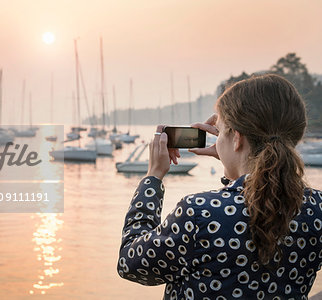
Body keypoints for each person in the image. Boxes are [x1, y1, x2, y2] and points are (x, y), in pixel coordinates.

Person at [117, 74, 322, 299]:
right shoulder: (317, 209)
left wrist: (153, 178)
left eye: (221, 131)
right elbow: (249, 197)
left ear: (237, 138)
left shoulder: (199, 213)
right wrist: (232, 164)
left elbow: (130, 262)